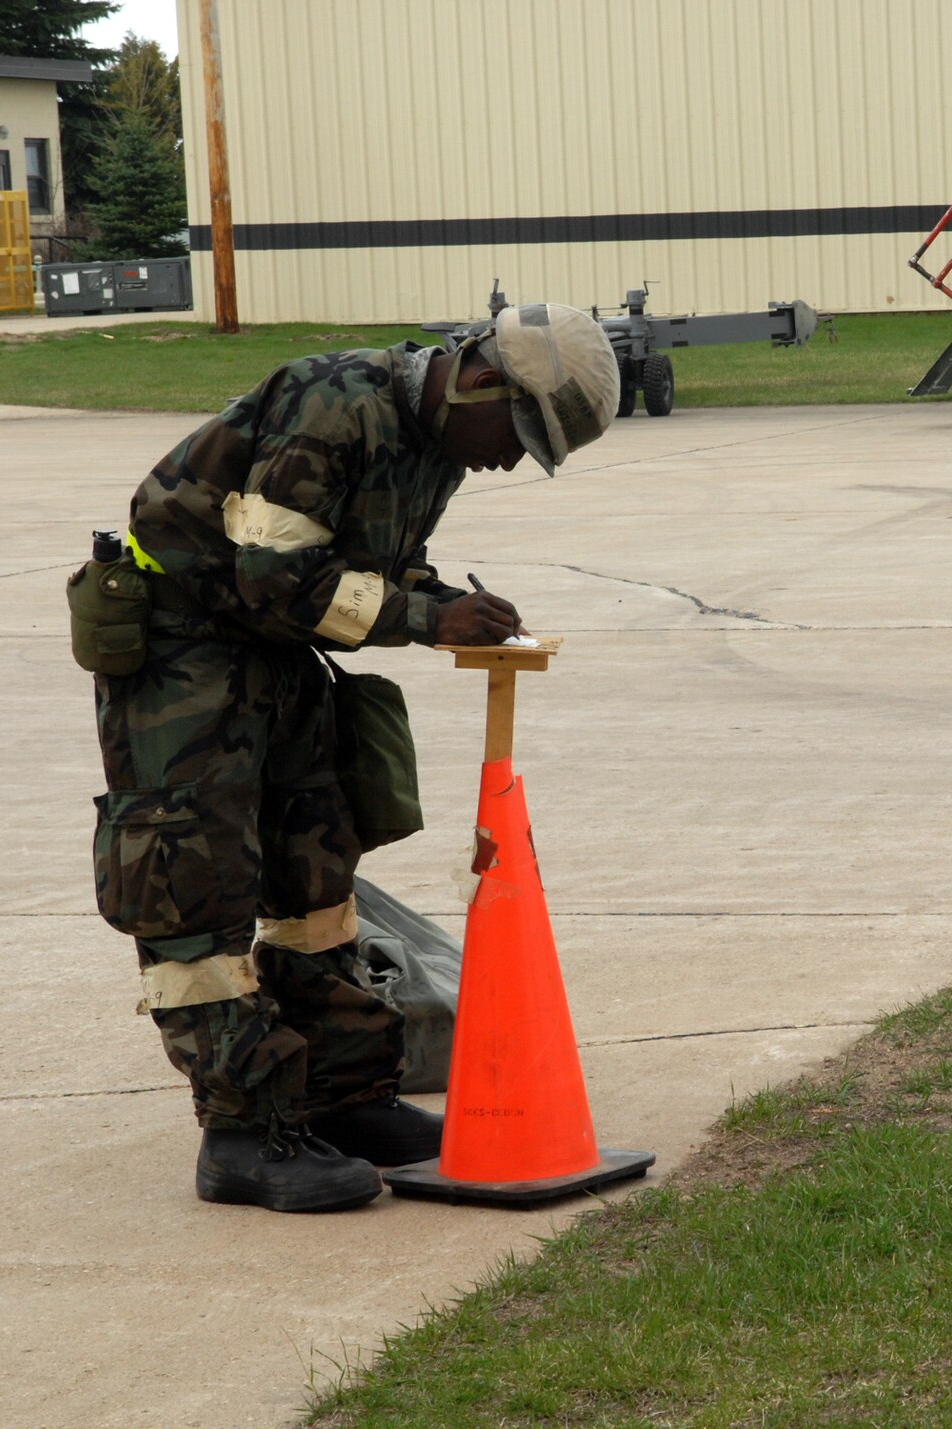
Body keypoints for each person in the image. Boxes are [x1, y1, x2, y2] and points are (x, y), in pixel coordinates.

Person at [87, 303, 619, 1211]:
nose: (509, 458)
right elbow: (270, 576)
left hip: (276, 651)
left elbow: (371, 560)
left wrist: (449, 600)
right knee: (194, 881)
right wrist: (424, 618)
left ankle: (341, 1095)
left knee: (316, 868)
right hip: (186, 650)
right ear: (481, 380)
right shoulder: (333, 403)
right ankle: (243, 1135)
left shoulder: (435, 444)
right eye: (518, 434)